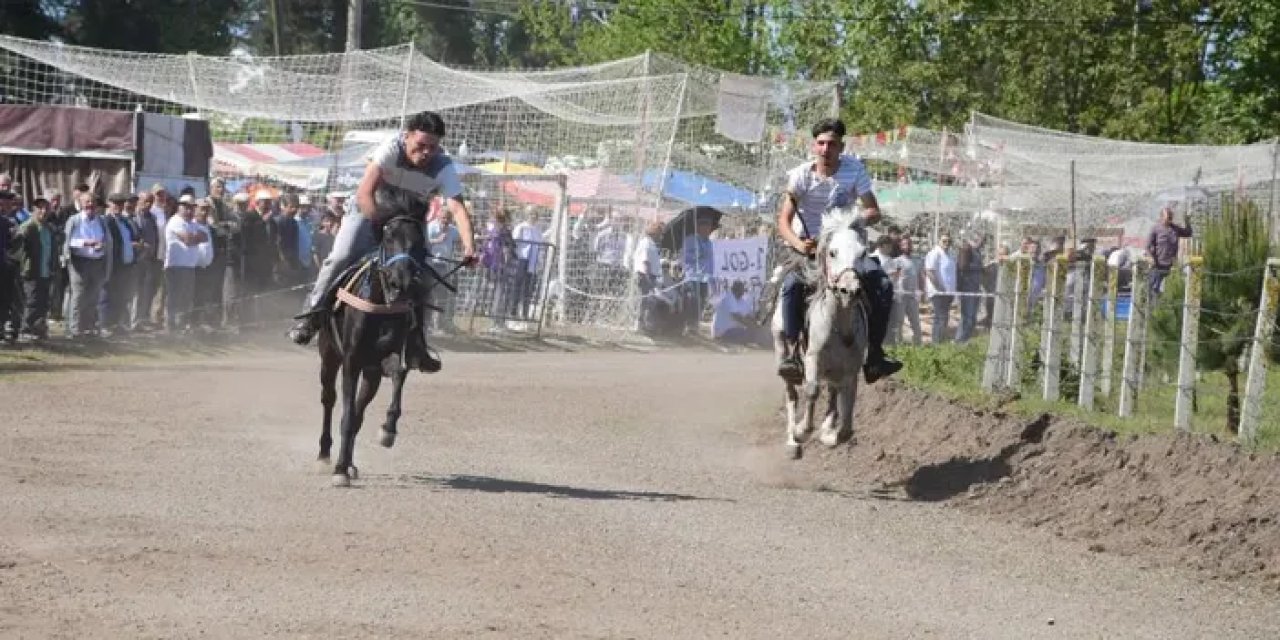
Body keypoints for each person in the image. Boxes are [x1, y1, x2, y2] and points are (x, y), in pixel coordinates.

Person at [287, 111, 477, 372]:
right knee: (341, 256)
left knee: (423, 274)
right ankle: (312, 315)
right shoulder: (390, 149)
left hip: (409, 220)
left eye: (432, 148)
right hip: (370, 212)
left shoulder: (443, 166)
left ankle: (416, 344)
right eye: (420, 146)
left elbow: (457, 208)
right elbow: (365, 192)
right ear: (406, 136)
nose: (425, 153)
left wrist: (469, 247)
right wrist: (378, 227)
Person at [775, 118, 902, 384]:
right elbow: (783, 221)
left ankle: (875, 355)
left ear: (841, 147)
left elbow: (873, 210)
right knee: (790, 285)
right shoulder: (800, 176)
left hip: (847, 248)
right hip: (808, 248)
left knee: (884, 286)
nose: (825, 149)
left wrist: (854, 221)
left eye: (832, 144)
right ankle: (792, 354)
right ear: (814, 146)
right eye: (821, 143)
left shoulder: (855, 170)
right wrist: (799, 244)